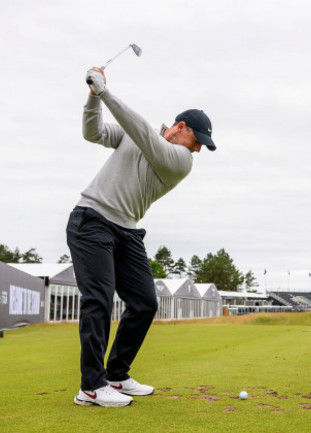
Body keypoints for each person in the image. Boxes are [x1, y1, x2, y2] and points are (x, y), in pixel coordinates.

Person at [67, 68, 216, 407]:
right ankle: (91, 385)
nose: (198, 151)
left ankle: (117, 375)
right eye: (197, 142)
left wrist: (106, 93)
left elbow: (145, 136)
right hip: (91, 220)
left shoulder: (180, 161)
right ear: (181, 128)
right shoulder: (142, 134)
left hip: (127, 231)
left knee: (146, 302)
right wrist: (94, 98)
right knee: (99, 299)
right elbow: (93, 132)